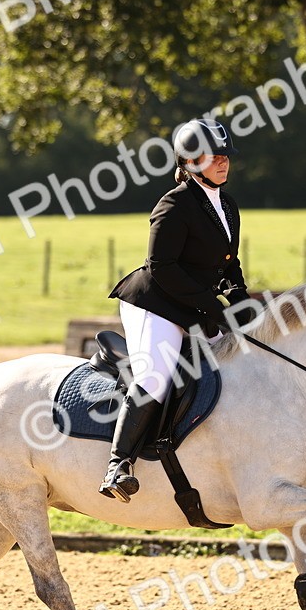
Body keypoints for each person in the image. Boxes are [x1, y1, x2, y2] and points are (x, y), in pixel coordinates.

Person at [99, 118, 254, 502]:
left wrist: (240, 299)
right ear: (188, 160)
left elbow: (227, 263)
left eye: (226, 156)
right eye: (213, 156)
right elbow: (162, 267)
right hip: (155, 303)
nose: (222, 162)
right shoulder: (174, 204)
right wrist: (212, 307)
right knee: (155, 376)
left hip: (192, 304)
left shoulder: (227, 205)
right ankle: (118, 465)